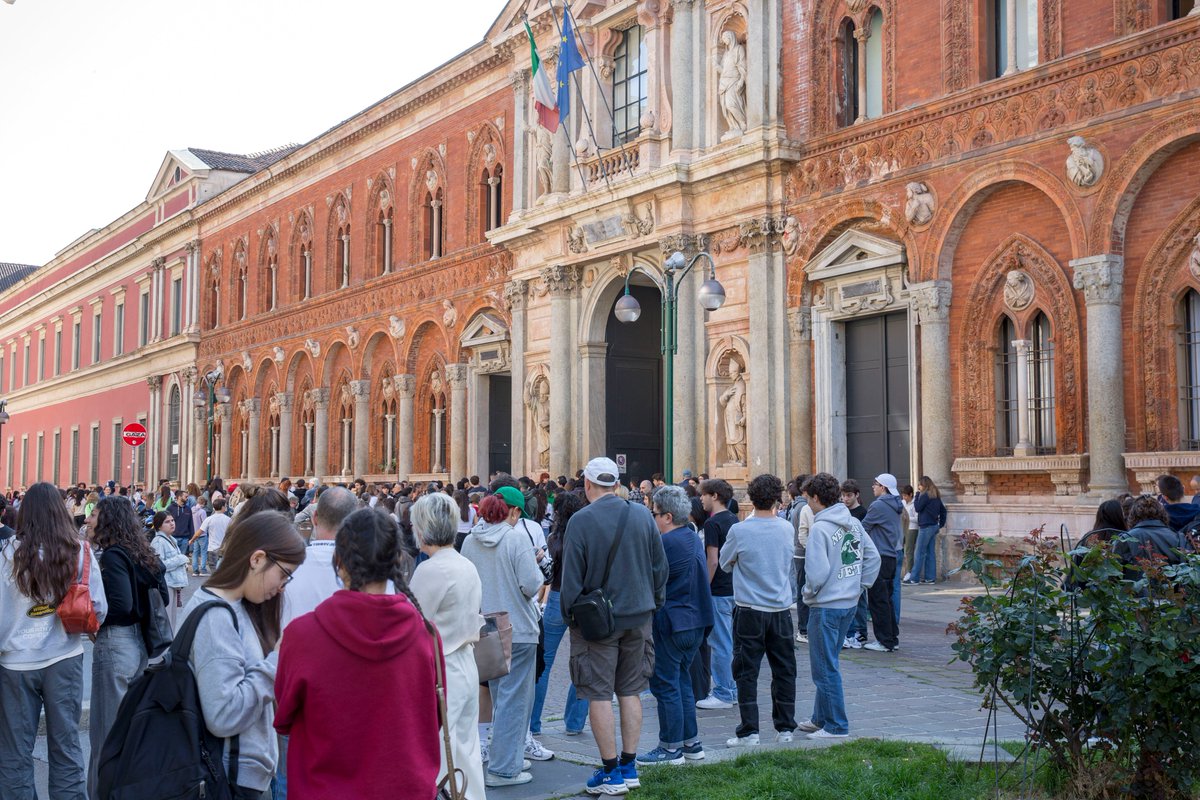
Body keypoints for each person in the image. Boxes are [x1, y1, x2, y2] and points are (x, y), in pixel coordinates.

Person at [275, 508, 440, 799]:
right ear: (398, 561)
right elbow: (434, 715)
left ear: (338, 562)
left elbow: (283, 717)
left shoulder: (302, 635)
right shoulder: (426, 634)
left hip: (324, 788)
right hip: (404, 787)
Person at [179, 511, 305, 800]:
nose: (283, 586)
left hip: (236, 774)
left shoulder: (233, 606)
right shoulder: (216, 617)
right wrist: (277, 660)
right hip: (230, 778)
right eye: (284, 573)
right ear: (257, 559)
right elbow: (224, 714)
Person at [561, 457, 667, 796]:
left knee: (598, 693)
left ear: (588, 485)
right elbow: (659, 567)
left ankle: (610, 771)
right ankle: (629, 764)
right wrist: (654, 602)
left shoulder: (581, 520)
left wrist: (570, 618)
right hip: (639, 616)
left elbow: (571, 578)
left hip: (598, 623)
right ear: (617, 484)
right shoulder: (641, 515)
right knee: (630, 691)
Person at [0, 484, 108, 800]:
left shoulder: (7, 554)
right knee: (67, 745)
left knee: (15, 750)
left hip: (14, 663)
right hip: (65, 656)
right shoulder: (79, 551)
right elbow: (98, 606)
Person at [461, 492, 546, 788]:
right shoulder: (515, 539)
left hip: (486, 625)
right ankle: (504, 769)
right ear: (509, 513)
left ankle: (507, 756)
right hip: (518, 627)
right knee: (515, 700)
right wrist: (534, 564)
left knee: (501, 696)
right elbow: (531, 583)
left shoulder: (470, 541)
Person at [410, 493, 488, 800]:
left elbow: (413, 624)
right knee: (465, 748)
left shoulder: (431, 570)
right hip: (465, 663)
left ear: (423, 528)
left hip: (442, 670)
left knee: (442, 750)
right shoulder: (464, 563)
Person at [87, 496, 166, 799]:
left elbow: (121, 604)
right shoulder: (142, 554)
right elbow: (162, 598)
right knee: (130, 734)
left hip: (116, 642)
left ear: (106, 520)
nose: (88, 520)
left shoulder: (112, 556)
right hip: (141, 646)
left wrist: (95, 622)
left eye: (93, 515)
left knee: (106, 736)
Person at [719, 474, 798, 747]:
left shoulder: (740, 531)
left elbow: (725, 563)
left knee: (746, 671)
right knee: (784, 670)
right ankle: (786, 727)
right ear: (778, 498)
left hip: (749, 609)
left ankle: (750, 730)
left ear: (750, 498)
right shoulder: (786, 528)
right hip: (780, 609)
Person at [800, 473, 880, 739]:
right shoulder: (853, 523)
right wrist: (859, 586)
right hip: (847, 603)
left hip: (825, 605)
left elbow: (817, 573)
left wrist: (808, 594)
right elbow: (872, 557)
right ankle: (820, 717)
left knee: (824, 668)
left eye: (807, 498)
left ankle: (836, 725)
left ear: (815, 498)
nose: (806, 503)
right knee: (829, 662)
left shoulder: (820, 529)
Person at [637, 486, 712, 765]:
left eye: (654, 513)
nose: (652, 518)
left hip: (673, 623)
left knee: (666, 685)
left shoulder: (667, 543)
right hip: (695, 622)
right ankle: (691, 743)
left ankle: (670, 748)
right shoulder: (691, 537)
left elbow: (648, 580)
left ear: (668, 516)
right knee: (682, 683)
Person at [531, 491, 590, 738]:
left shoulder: (555, 538)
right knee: (584, 662)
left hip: (556, 597)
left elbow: (548, 573)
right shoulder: (588, 537)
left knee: (543, 663)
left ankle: (533, 723)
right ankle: (575, 723)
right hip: (584, 600)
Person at [279, 487, 360, 630]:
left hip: (295, 646)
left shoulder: (284, 567)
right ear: (355, 522)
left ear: (315, 517)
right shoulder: (370, 569)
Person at [696, 478, 738, 710]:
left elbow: (713, 561)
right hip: (733, 588)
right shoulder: (734, 519)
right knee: (730, 642)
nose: (700, 499)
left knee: (720, 642)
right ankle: (731, 688)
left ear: (714, 496)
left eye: (704, 495)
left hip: (717, 590)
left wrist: (704, 587)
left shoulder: (712, 524)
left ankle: (723, 692)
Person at [860, 474, 903, 653]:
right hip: (890, 556)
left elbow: (863, 528)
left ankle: (884, 641)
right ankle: (892, 638)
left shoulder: (878, 505)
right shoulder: (895, 504)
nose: (873, 486)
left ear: (883, 487)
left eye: (875, 484)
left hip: (879, 556)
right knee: (887, 600)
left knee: (878, 601)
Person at [1115, 495, 1193, 582]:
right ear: (1162, 514)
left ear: (1133, 515)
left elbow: (1114, 575)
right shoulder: (1177, 537)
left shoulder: (1125, 539)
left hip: (1135, 593)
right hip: (1171, 592)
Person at [149, 510, 190, 624]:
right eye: (167, 522)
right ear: (159, 526)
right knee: (166, 621)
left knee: (172, 620)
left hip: (173, 584)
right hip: (166, 584)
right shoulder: (158, 542)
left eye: (172, 520)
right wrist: (180, 559)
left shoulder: (171, 539)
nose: (172, 523)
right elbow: (158, 566)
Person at [907, 476, 947, 585]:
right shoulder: (935, 496)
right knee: (930, 552)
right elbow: (943, 511)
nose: (918, 487)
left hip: (925, 527)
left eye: (919, 485)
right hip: (934, 526)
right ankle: (930, 578)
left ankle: (914, 578)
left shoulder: (924, 495)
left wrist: (917, 495)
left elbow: (917, 508)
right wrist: (940, 524)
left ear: (924, 485)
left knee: (919, 553)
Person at [790, 475, 815, 645]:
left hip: (806, 553)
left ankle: (806, 628)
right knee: (803, 592)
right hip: (803, 554)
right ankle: (803, 629)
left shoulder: (802, 506)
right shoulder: (803, 508)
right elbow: (801, 534)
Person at [200, 497, 232, 573]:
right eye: (225, 505)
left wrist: (192, 540)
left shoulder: (209, 519)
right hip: (224, 548)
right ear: (223, 507)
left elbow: (200, 531)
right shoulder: (228, 519)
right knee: (224, 570)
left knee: (214, 571)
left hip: (212, 548)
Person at [899, 485, 918, 582]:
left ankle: (910, 571)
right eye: (903, 496)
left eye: (906, 496)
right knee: (900, 549)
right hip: (903, 528)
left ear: (910, 495)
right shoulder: (902, 503)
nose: (904, 498)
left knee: (909, 551)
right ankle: (900, 570)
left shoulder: (915, 504)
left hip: (912, 529)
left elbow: (917, 518)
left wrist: (908, 518)